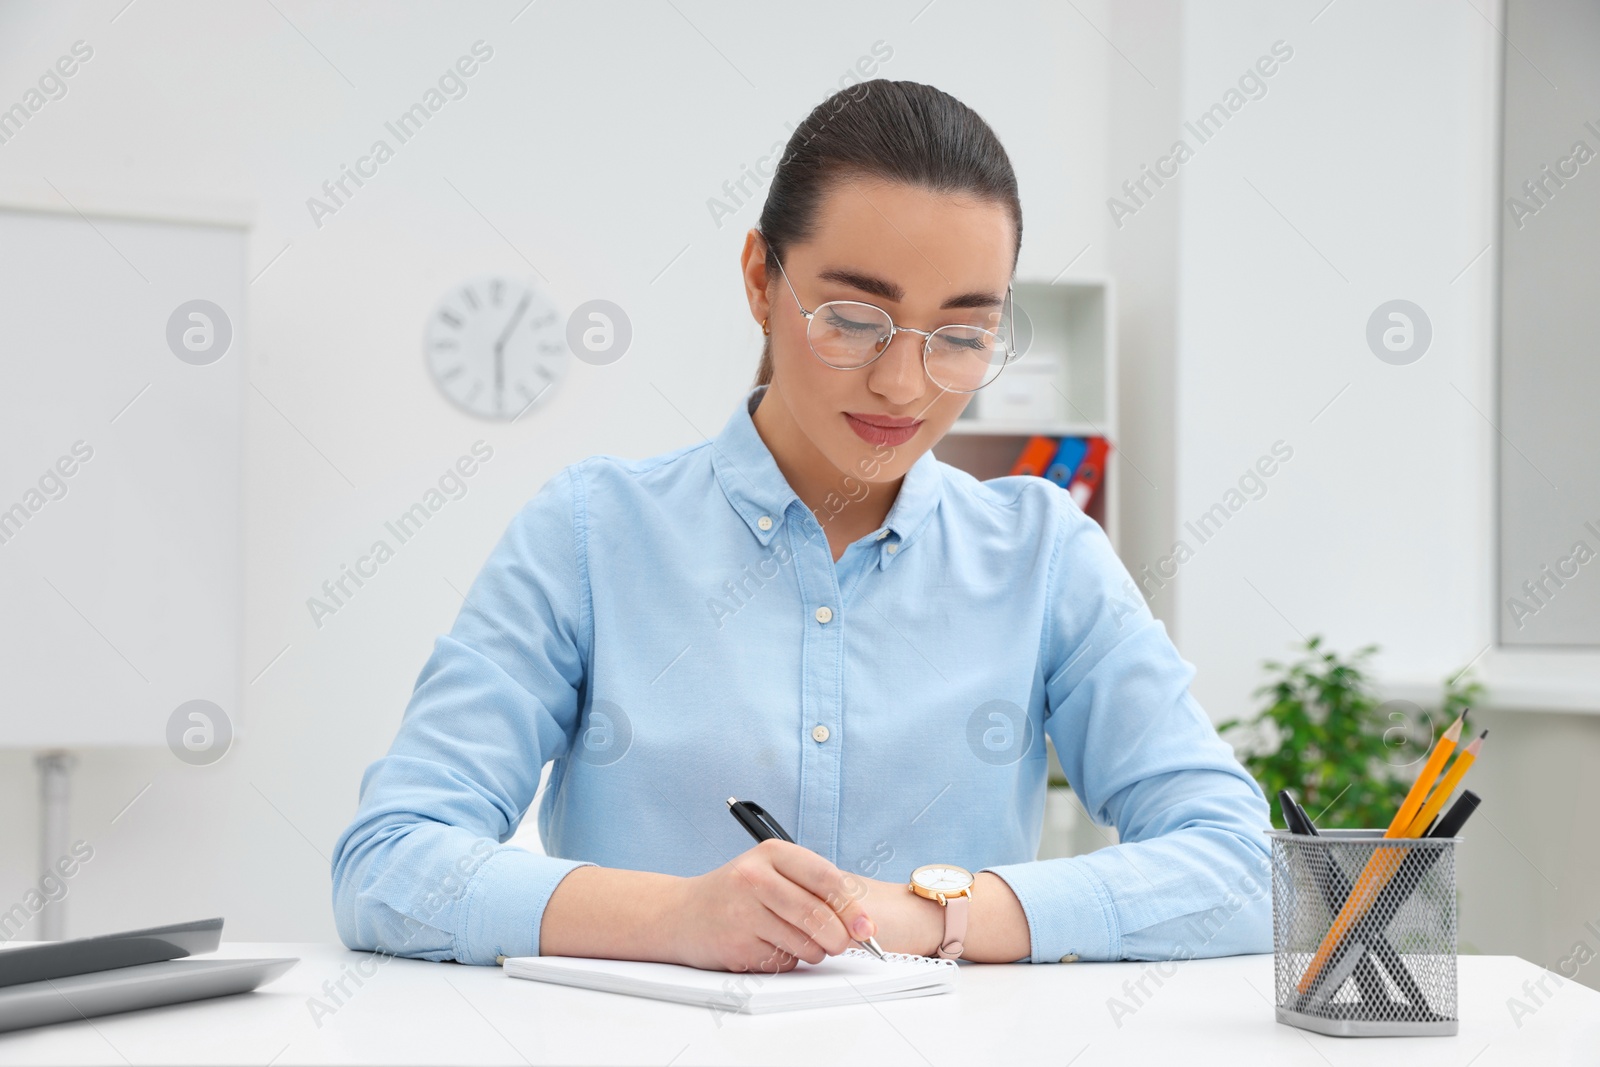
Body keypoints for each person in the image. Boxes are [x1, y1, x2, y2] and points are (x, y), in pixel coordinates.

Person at [331, 79, 1272, 974]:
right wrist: (674, 918)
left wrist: (922, 915)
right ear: (759, 280)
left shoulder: (1044, 553)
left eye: (960, 335)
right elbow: (388, 862)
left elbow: (1243, 867)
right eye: (856, 318)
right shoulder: (589, 533)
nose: (904, 385)